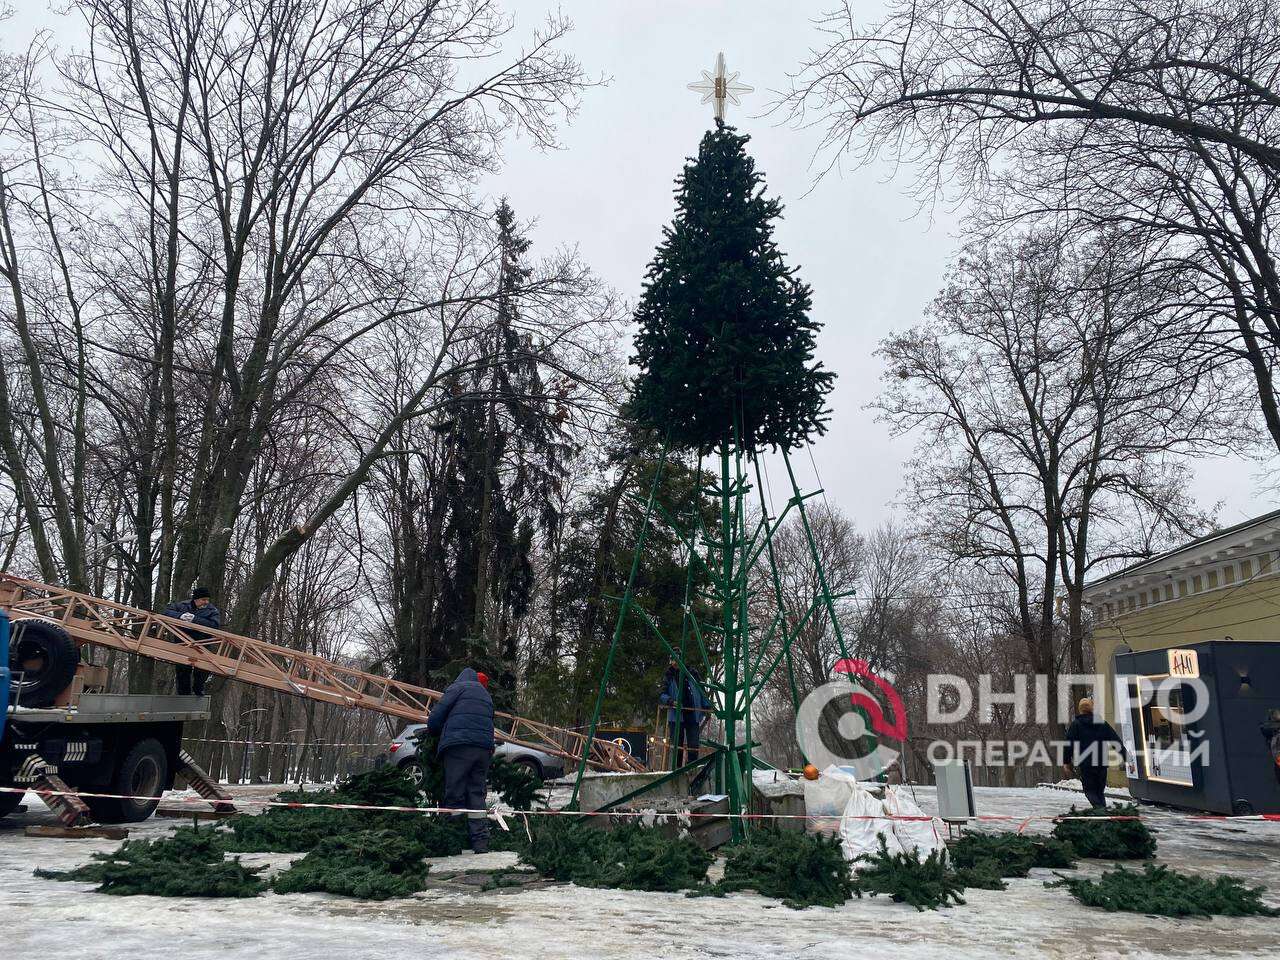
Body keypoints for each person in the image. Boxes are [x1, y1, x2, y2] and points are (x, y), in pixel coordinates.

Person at [426, 666, 495, 853]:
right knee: (476, 793)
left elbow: (437, 716)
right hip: (483, 750)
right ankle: (480, 842)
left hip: (459, 747)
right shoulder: (485, 694)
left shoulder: (457, 688)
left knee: (455, 792)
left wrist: (432, 730)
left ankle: (453, 841)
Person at [1063, 697, 1126, 808]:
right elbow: (1115, 741)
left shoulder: (1076, 725)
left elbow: (1068, 745)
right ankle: (1102, 814)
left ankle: (1101, 812)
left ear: (1080, 710)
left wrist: (1067, 763)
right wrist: (1126, 757)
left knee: (1090, 791)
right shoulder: (1102, 723)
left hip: (1087, 765)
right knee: (1099, 792)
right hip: (1101, 764)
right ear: (1092, 709)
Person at [163, 586, 221, 697]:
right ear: (196, 599)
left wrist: (194, 619)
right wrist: (180, 616)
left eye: (207, 600)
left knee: (202, 670)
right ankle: (184, 697)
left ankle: (198, 689)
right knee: (182, 672)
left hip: (202, 646)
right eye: (203, 599)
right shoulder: (182, 606)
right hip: (182, 644)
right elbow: (166, 612)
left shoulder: (212, 610)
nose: (206, 602)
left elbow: (214, 625)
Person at [660, 662, 708, 767]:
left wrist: (706, 706)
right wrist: (671, 701)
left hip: (692, 713)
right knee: (677, 745)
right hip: (676, 715)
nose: (675, 662)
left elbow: (701, 690)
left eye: (677, 658)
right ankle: (677, 770)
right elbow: (662, 694)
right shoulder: (669, 675)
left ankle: (692, 768)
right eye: (673, 659)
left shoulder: (692, 673)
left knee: (694, 745)